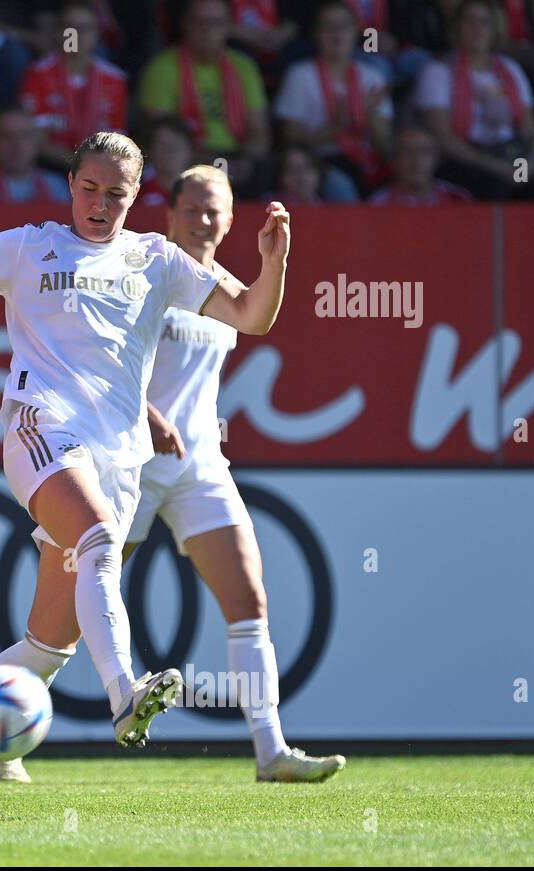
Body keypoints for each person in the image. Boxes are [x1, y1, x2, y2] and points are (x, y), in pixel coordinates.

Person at [0, 131, 292, 814]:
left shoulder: (157, 260)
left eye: (117, 193)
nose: (100, 203)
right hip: (39, 429)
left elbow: (254, 315)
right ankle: (127, 695)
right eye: (89, 187)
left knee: (48, 647)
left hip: (119, 457)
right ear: (70, 182)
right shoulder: (27, 246)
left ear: (136, 198)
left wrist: (274, 263)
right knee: (102, 541)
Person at [21, 166, 346, 785]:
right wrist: (146, 412)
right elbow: (97, 353)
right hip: (130, 461)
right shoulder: (147, 267)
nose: (203, 220)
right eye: (192, 209)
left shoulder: (215, 282)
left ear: (229, 220)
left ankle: (271, 749)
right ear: (167, 214)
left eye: (215, 210)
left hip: (198, 465)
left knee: (249, 598)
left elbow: (258, 314)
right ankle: (0, 730)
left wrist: (274, 260)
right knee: (60, 625)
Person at [413, 0, 534, 200]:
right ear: (456, 27)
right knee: (494, 186)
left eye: (485, 22)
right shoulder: (438, 71)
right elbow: (443, 139)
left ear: (495, 29)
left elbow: (532, 133)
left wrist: (528, 167)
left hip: (511, 154)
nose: (477, 29)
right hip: (465, 159)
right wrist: (499, 168)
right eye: (470, 22)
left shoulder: (511, 69)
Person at [137, 0, 270, 192]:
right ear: (186, 24)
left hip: (238, 158)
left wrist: (245, 161)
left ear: (229, 26)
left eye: (216, 23)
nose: (208, 30)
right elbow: (162, 140)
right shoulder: (162, 68)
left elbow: (259, 133)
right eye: (200, 22)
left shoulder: (245, 67)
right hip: (187, 161)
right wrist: (212, 164)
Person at [274, 0, 393, 195]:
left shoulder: (373, 77)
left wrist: (370, 115)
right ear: (316, 34)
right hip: (321, 162)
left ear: (356, 31)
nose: (336, 34)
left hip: (368, 161)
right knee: (341, 186)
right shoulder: (300, 75)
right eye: (328, 27)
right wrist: (335, 127)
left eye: (343, 26)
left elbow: (387, 150)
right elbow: (291, 144)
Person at [19, 0, 128, 170]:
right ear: (59, 32)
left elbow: (116, 139)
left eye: (86, 28)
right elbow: (37, 141)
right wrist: (78, 162)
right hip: (51, 168)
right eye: (71, 27)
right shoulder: (38, 74)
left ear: (96, 33)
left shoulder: (114, 79)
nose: (78, 35)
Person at [0, 107, 70, 202]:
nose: (16, 144)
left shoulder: (55, 186)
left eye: (23, 136)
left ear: (36, 143)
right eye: (5, 136)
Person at [369, 124, 473, 204]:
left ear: (436, 159)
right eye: (408, 151)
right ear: (395, 160)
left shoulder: (458, 199)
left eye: (425, 152)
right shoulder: (379, 202)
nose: (417, 160)